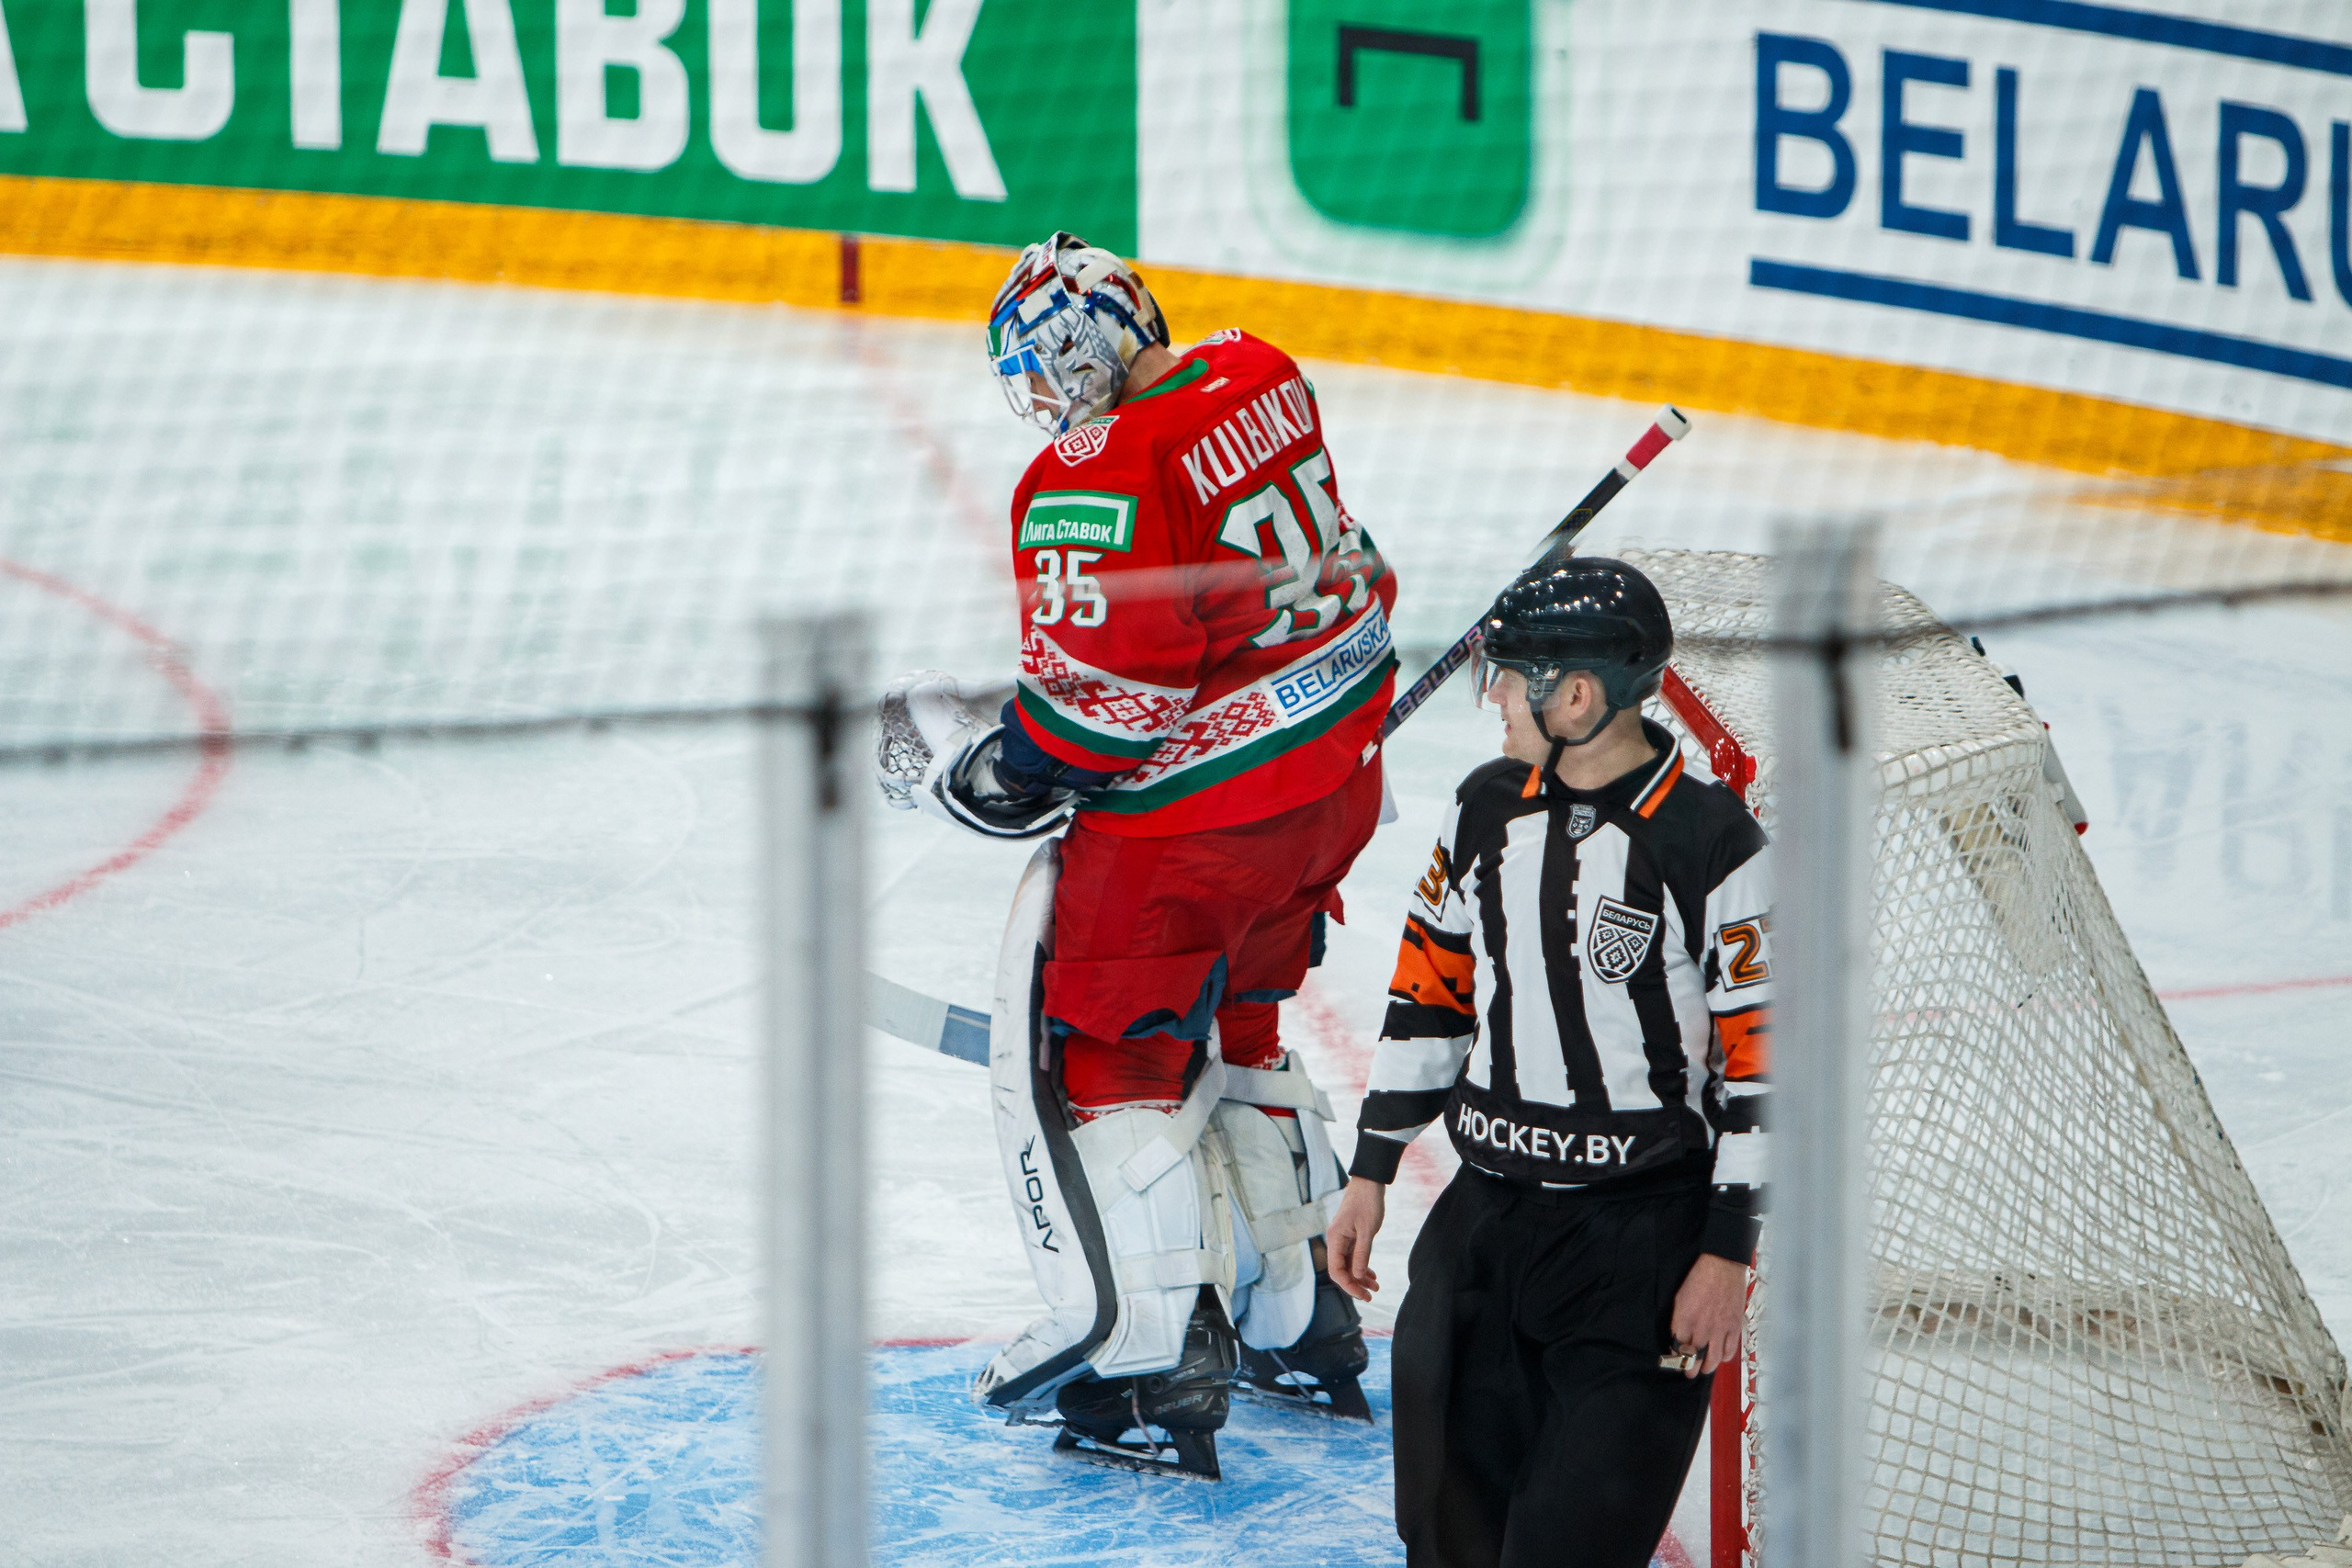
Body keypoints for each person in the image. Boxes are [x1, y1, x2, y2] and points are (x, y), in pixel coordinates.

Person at [884, 232, 1396, 1477]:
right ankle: (1299, 1310)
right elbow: (1354, 570)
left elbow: (1106, 710)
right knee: (1250, 1024)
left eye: (1048, 368)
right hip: (1333, 782)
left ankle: (1158, 1351)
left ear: (1085, 348)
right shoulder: (1258, 370)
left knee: (1118, 1059)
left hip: (1192, 835)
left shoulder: (1088, 470)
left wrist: (999, 765)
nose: (1046, 401)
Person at [1323, 556, 1770, 1566]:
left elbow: (1763, 1072)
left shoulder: (1713, 844)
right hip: (1481, 1234)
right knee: (1444, 1543)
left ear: (1576, 694)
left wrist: (1725, 1253)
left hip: (1639, 1254)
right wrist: (1371, 1170)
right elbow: (1428, 991)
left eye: (1509, 675)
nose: (1492, 698)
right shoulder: (1484, 807)